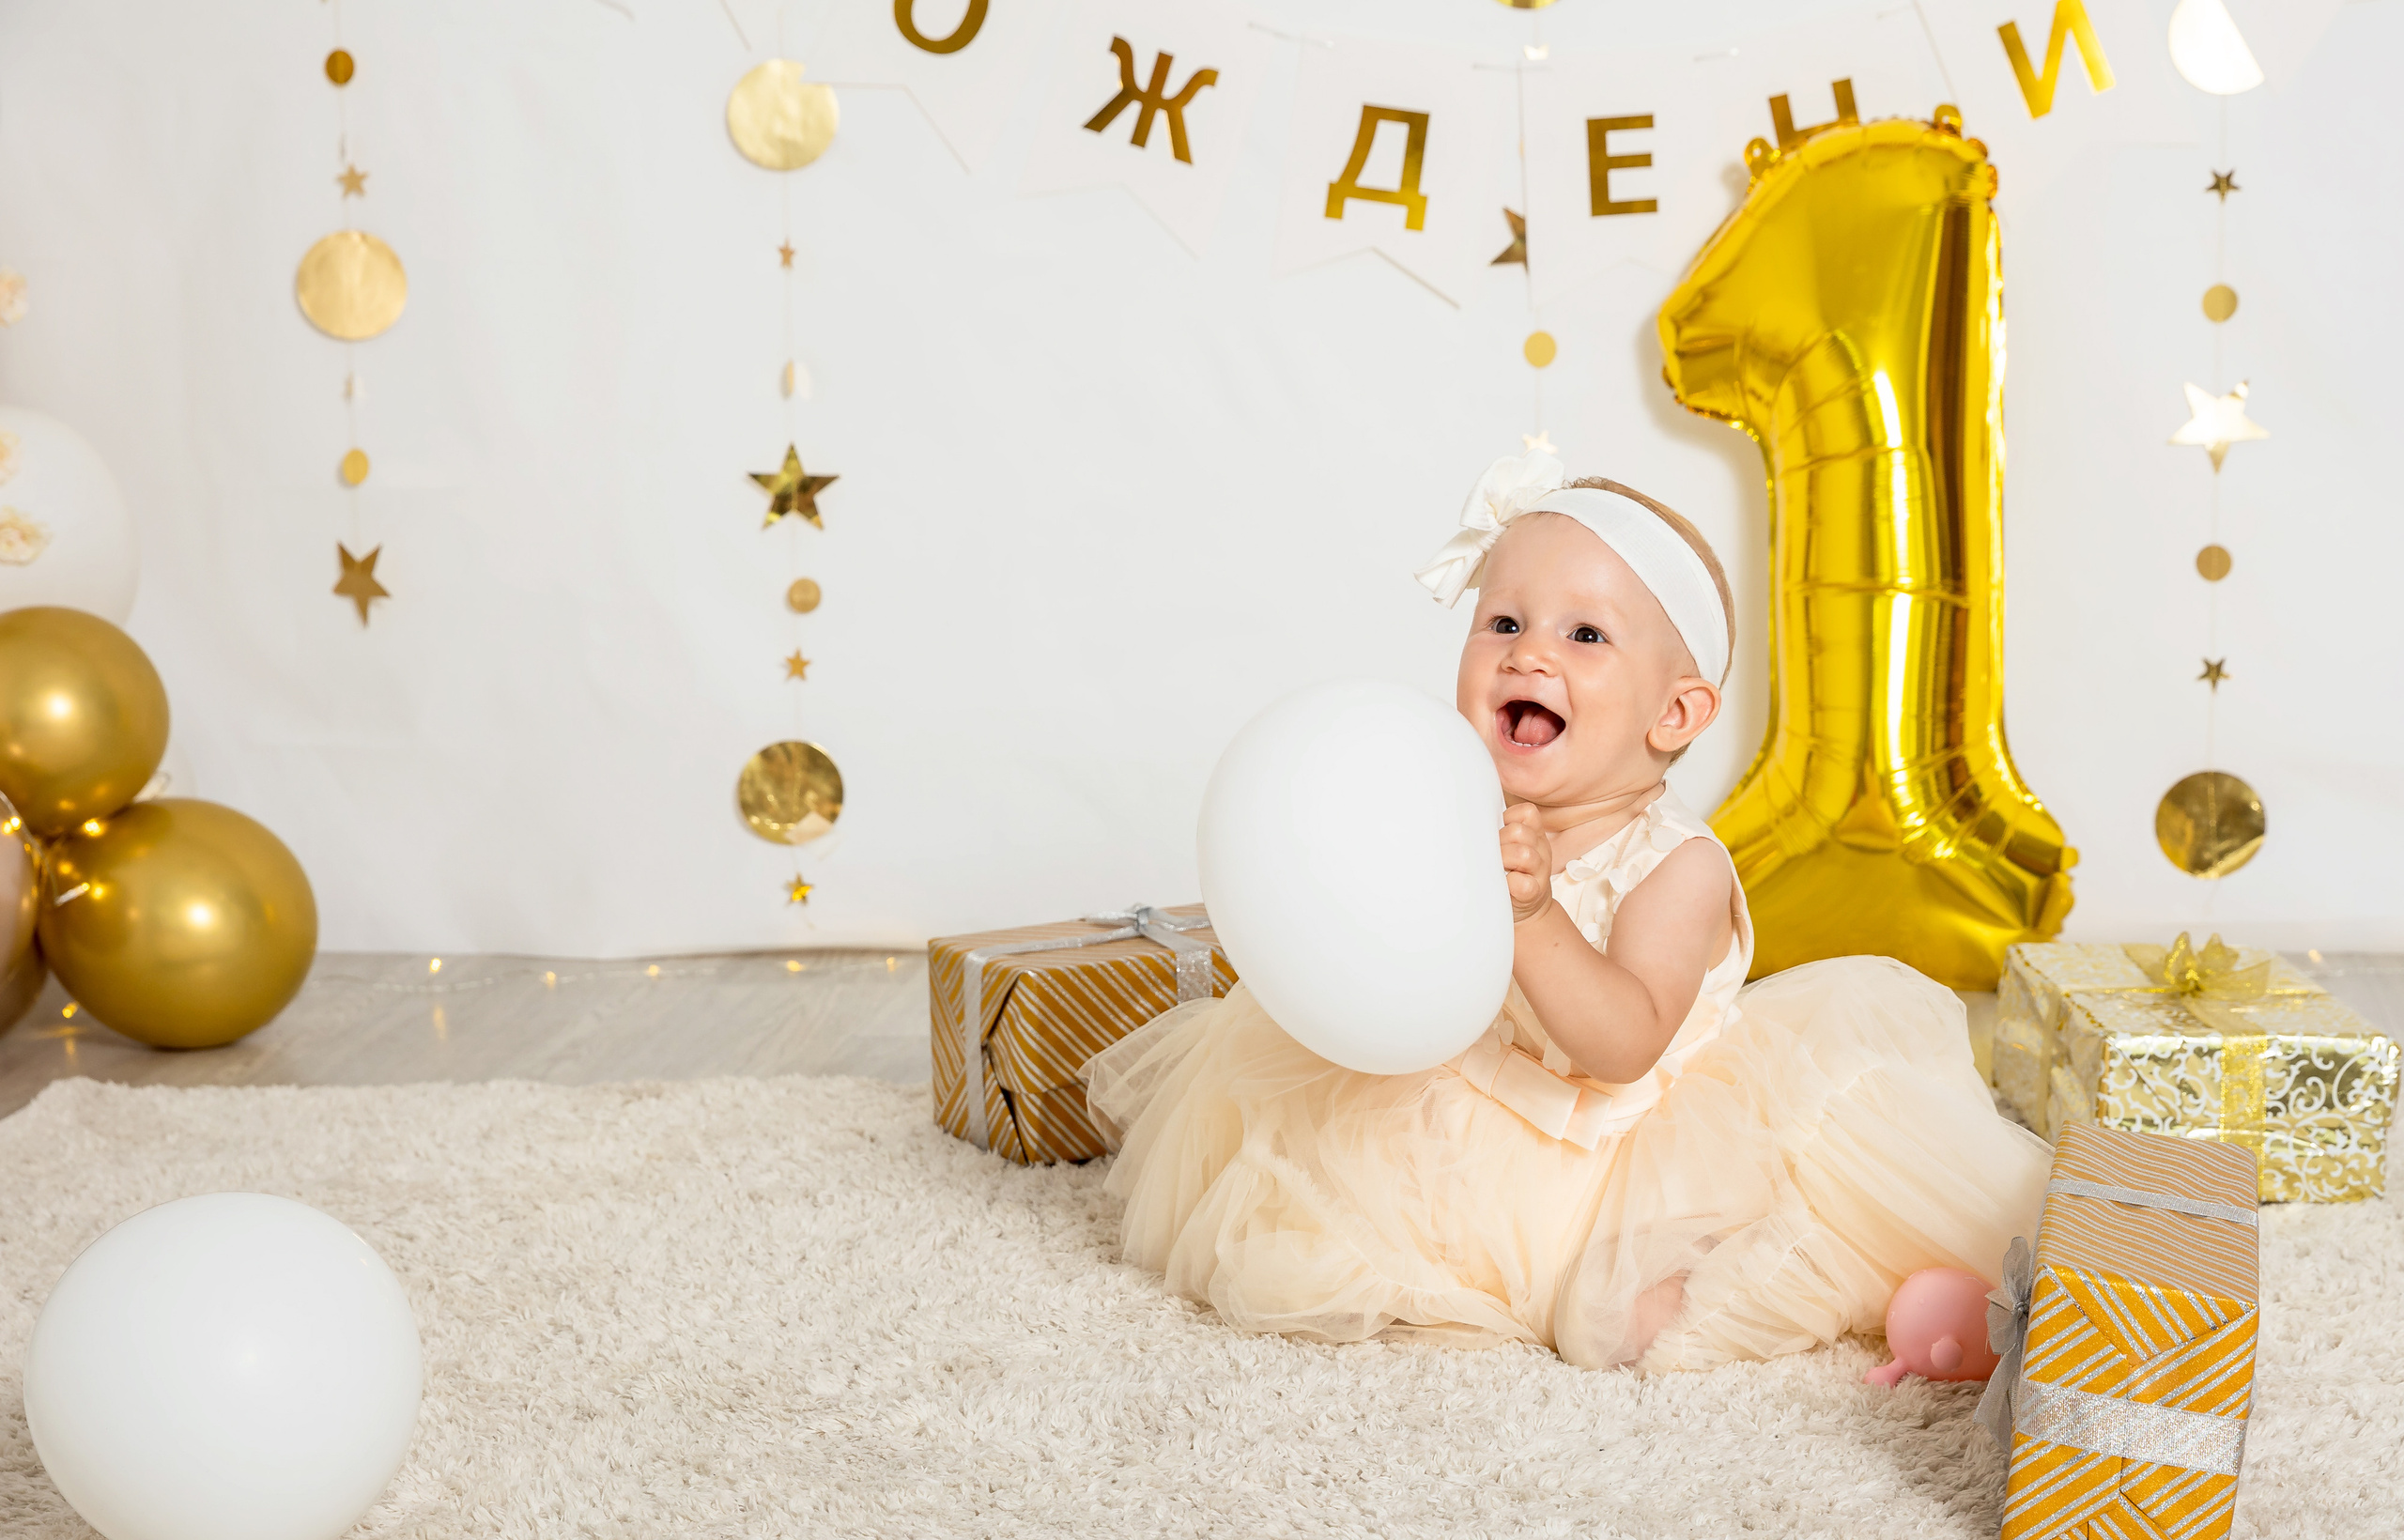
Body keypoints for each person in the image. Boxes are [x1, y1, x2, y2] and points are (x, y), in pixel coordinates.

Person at [1082, 453, 2051, 1372]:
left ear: (1673, 715)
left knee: (1608, 1314)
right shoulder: (1455, 802)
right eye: (1502, 622)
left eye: (1583, 635)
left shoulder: (1678, 867)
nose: (1529, 654)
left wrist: (1534, 913)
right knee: (1297, 1168)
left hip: (1628, 1136)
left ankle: (1795, 1249)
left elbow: (1621, 1043)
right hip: (1474, 1094)